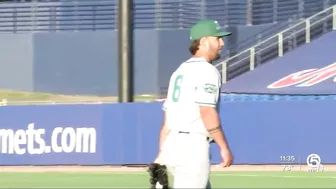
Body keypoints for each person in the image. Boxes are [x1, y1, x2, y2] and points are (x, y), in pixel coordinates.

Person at [151, 19, 234, 188]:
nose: (222, 43)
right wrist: (223, 147)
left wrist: (162, 154)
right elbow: (207, 111)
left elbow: (167, 122)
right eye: (217, 38)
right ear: (203, 41)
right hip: (192, 148)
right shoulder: (207, 70)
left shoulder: (179, 71)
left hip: (172, 145)